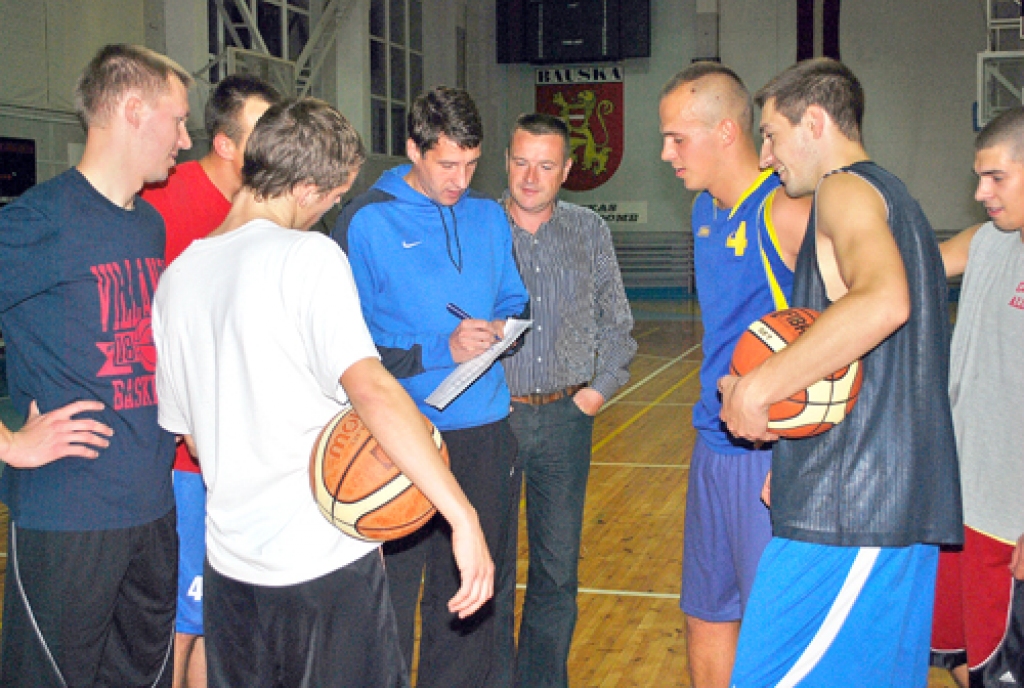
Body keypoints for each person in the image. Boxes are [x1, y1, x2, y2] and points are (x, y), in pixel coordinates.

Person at [153, 97, 494, 687]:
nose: (333, 209)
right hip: (321, 565)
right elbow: (374, 391)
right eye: (335, 197)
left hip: (231, 571)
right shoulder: (307, 256)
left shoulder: (179, 276)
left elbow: (194, 442)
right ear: (306, 188)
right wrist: (461, 515)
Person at [718, 57, 963, 687]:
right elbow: (864, 367)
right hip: (881, 501)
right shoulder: (896, 198)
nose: (767, 154)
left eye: (771, 134)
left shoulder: (843, 189)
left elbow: (884, 302)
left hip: (853, 510)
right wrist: (794, 452)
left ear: (816, 121)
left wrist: (759, 388)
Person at [0, 44, 191, 687]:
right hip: (69, 520)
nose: (185, 139)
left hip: (151, 512)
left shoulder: (149, 226)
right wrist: (9, 443)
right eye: (178, 119)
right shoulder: (41, 220)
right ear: (135, 110)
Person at [331, 86, 528, 687]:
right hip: (395, 437)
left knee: (468, 598)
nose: (460, 180)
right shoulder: (364, 220)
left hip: (485, 431)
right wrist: (437, 350)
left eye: (471, 165)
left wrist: (503, 330)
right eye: (447, 164)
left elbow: (515, 299)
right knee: (386, 598)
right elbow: (343, 344)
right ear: (414, 149)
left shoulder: (490, 216)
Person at [657, 62, 810, 687]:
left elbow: (856, 322)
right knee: (706, 616)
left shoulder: (785, 211)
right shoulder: (703, 211)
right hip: (712, 446)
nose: (666, 152)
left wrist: (804, 450)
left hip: (771, 458)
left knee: (776, 630)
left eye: (677, 137)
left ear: (726, 131)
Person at [142, 73, 280, 688]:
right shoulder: (164, 206)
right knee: (183, 621)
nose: (278, 144)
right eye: (262, 133)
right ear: (226, 144)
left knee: (224, 624)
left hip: (253, 461)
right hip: (187, 464)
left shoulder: (272, 213)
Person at [493, 113, 637, 688]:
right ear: (506, 160)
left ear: (567, 171)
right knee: (490, 569)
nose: (531, 177)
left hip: (565, 417)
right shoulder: (477, 226)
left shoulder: (589, 231)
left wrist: (594, 395)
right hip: (490, 420)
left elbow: (617, 324)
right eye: (521, 161)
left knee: (556, 572)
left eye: (546, 165)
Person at [930, 107, 1024, 688]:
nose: (979, 192)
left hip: (1011, 521)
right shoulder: (989, 241)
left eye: (995, 178)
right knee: (967, 664)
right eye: (978, 177)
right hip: (964, 506)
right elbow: (901, 274)